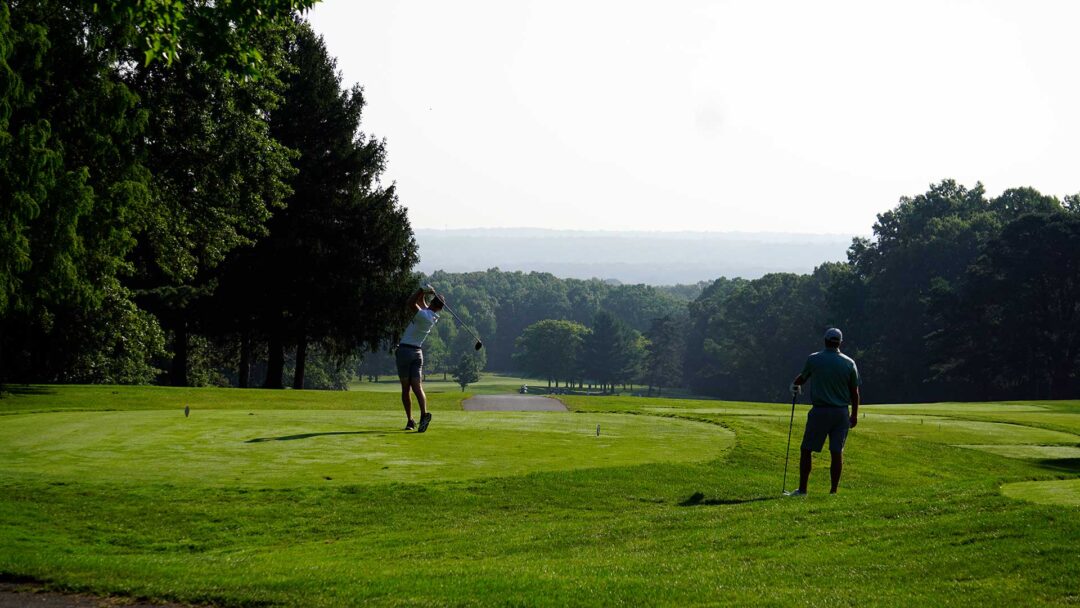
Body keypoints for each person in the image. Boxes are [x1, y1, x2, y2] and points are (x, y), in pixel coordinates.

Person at [788, 327, 861, 495]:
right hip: (841, 413)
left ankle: (803, 490)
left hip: (820, 411)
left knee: (806, 449)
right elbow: (854, 392)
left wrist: (794, 385)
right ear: (840, 342)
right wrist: (855, 414)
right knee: (837, 452)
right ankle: (833, 491)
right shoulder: (849, 363)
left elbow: (802, 378)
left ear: (825, 340)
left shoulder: (814, 359)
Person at [396, 286, 444, 433]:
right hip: (418, 353)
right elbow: (422, 304)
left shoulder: (423, 315)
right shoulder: (433, 316)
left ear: (432, 304)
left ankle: (410, 420)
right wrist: (425, 294)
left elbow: (410, 302)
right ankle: (424, 415)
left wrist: (421, 290)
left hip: (405, 351)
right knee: (418, 387)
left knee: (406, 388)